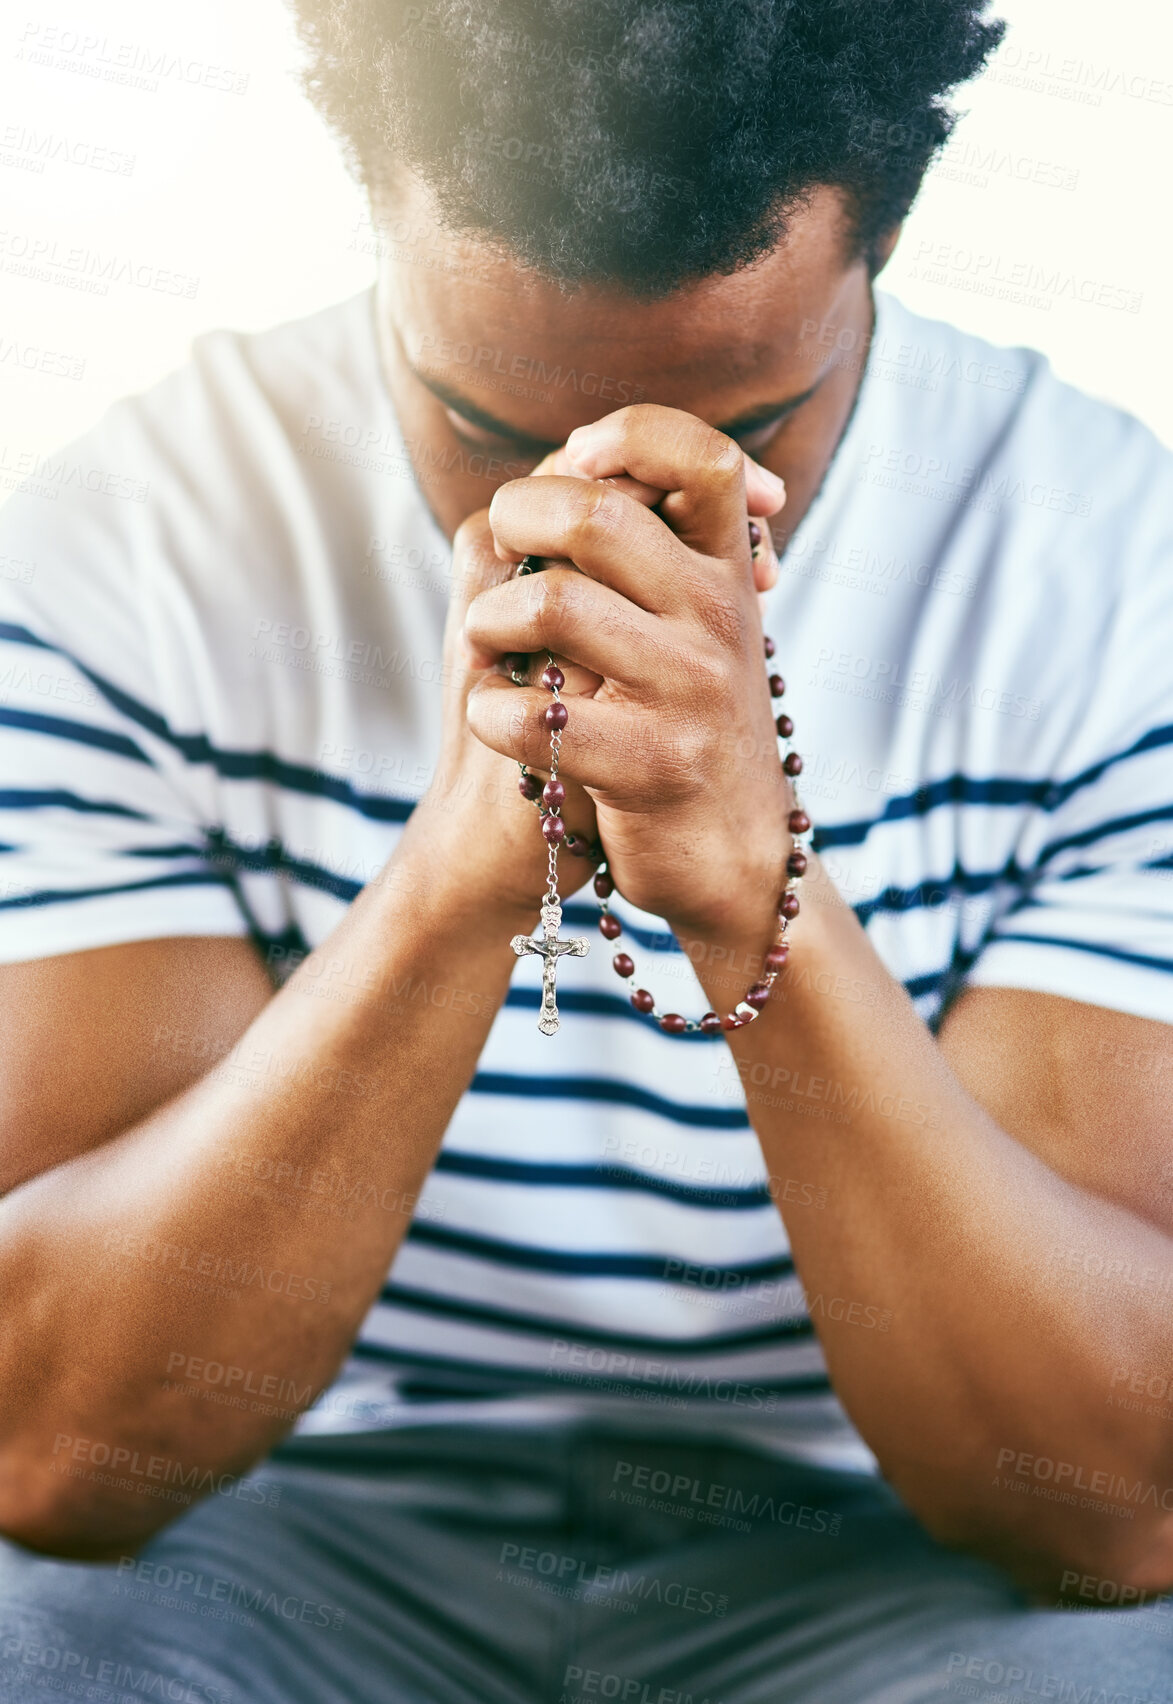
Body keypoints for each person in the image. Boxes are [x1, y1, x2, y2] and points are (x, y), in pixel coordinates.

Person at [1, 1, 1171, 1699]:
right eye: (484, 421)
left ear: (887, 244)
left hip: (878, 1560)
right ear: (374, 208)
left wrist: (756, 892)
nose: (589, 519)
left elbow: (1107, 1505)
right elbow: (57, 1453)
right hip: (299, 1525)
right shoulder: (128, 549)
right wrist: (466, 875)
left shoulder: (1115, 584)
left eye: (746, 439)